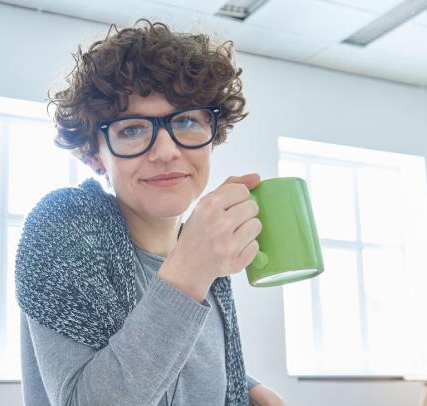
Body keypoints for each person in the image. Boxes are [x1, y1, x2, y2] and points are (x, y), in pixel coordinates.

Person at [16, 19, 285, 406]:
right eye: (131, 130)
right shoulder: (64, 227)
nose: (165, 152)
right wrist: (192, 268)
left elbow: (181, 361)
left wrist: (249, 389)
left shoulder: (200, 255)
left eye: (187, 120)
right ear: (94, 156)